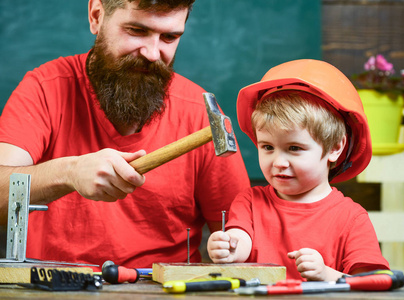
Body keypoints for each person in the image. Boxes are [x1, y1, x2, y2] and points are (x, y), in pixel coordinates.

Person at [0, 0, 250, 270]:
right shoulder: (45, 89)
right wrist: (69, 172)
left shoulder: (199, 113)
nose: (153, 53)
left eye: (169, 37)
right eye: (136, 31)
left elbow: (242, 231)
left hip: (165, 291)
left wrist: (235, 246)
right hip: (57, 286)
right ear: (97, 16)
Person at [207, 59, 390, 281]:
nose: (278, 162)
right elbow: (241, 238)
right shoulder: (250, 202)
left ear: (335, 147)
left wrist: (326, 274)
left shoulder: (352, 219)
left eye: (294, 148)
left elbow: (373, 282)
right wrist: (229, 247)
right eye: (267, 147)